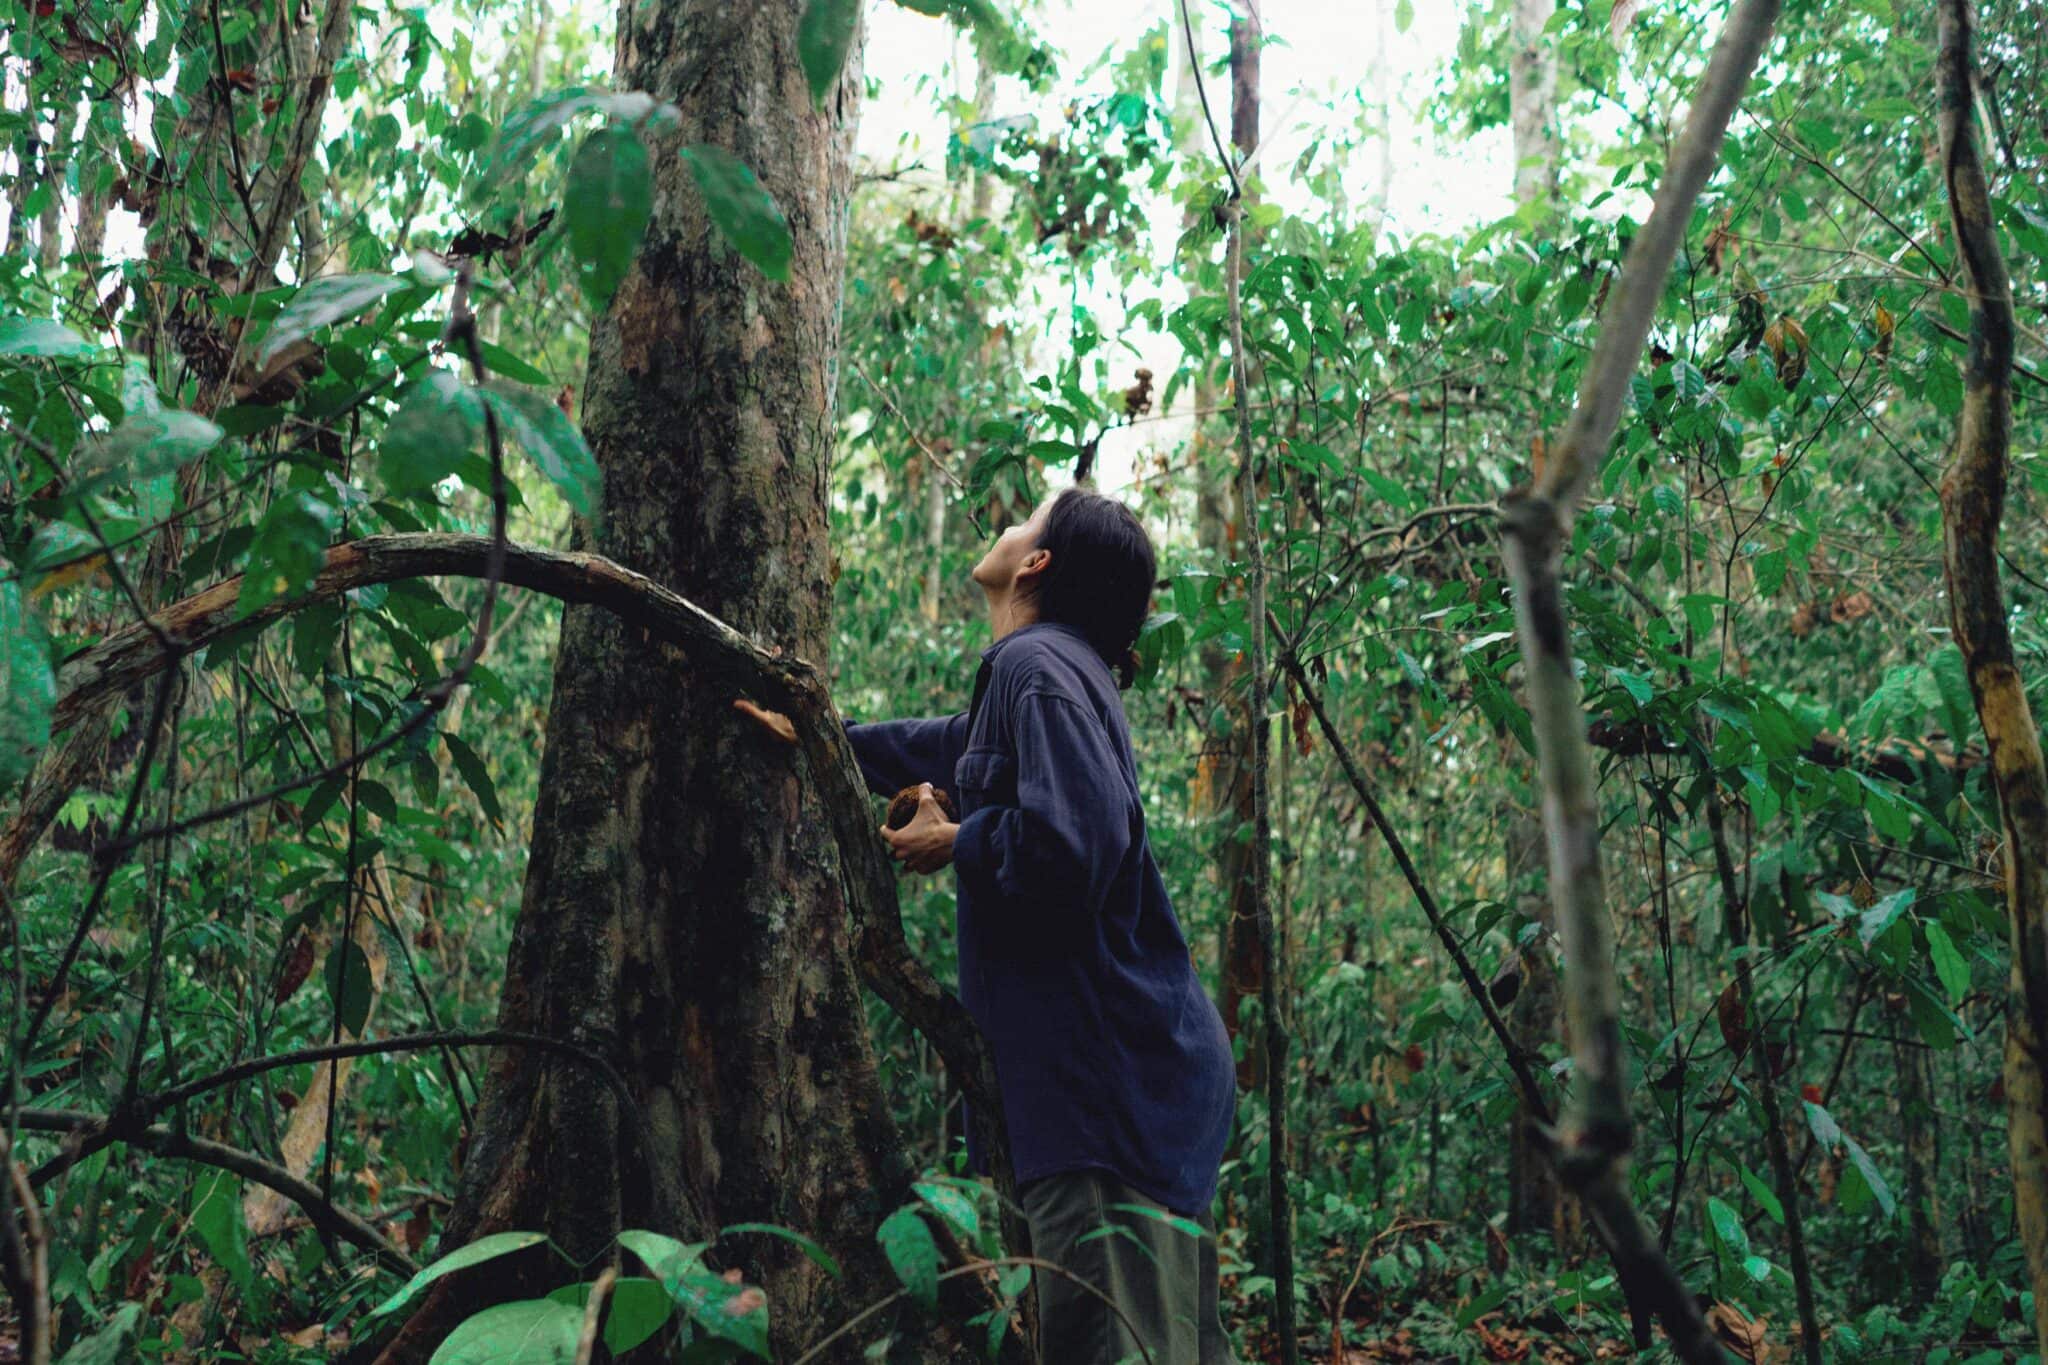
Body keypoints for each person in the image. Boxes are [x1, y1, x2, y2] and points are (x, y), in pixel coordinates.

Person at [766, 486, 1240, 1365]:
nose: (1008, 523)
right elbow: (943, 745)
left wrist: (960, 837)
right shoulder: (1036, 676)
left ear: (1037, 563)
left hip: (1105, 1107)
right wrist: (817, 728)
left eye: (1028, 518)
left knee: (1108, 1343)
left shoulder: (1037, 667)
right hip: (1114, 1095)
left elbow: (1080, 841)